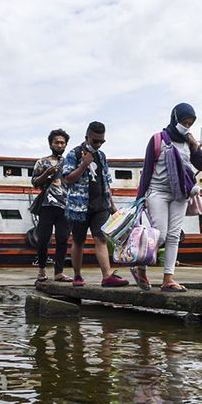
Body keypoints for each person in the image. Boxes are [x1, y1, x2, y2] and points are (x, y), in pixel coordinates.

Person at [133, 103, 202, 292]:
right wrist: (140, 199)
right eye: (184, 122)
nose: (187, 126)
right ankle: (140, 267)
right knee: (160, 234)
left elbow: (201, 164)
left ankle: (168, 278)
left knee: (174, 236)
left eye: (190, 123)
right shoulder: (158, 139)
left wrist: (195, 146)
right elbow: (147, 169)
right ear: (175, 119)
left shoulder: (188, 142)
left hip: (180, 193)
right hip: (157, 191)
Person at [62, 121, 128, 287]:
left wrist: (112, 206)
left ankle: (107, 276)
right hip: (79, 207)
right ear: (87, 138)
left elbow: (105, 182)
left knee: (101, 239)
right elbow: (67, 179)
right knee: (78, 241)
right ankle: (77, 275)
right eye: (95, 141)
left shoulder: (101, 156)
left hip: (100, 206)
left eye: (101, 141)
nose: (98, 144)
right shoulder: (74, 154)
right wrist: (84, 164)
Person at [32, 128, 72, 283]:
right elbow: (35, 183)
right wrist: (46, 173)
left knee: (63, 239)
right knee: (43, 239)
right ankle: (41, 270)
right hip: (47, 206)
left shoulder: (70, 162)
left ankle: (59, 272)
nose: (60, 145)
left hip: (65, 206)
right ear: (50, 144)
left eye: (62, 142)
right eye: (57, 142)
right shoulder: (42, 162)